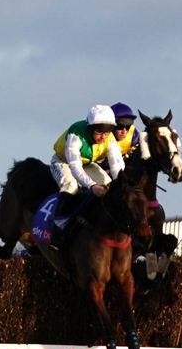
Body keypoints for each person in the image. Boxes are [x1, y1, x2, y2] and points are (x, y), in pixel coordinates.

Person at [49, 104, 125, 248]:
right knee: (70, 186)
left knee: (108, 183)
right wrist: (92, 185)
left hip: (88, 164)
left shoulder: (110, 139)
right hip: (63, 161)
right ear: (90, 128)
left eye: (107, 132)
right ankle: (57, 229)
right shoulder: (76, 135)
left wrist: (122, 184)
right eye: (99, 132)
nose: (103, 136)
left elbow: (116, 165)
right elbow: (75, 167)